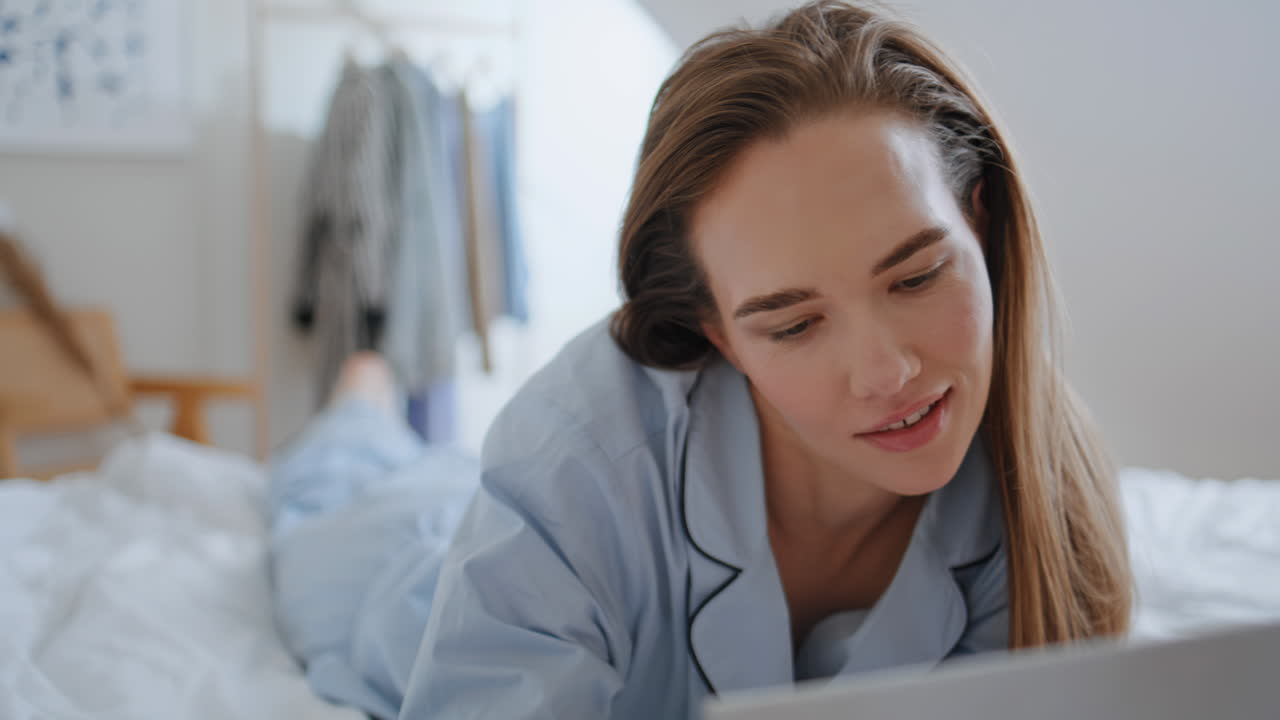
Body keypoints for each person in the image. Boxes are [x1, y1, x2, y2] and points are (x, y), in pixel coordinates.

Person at [270, 2, 1134, 718]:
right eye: (793, 325)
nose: (886, 373)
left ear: (979, 221)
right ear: (716, 333)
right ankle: (362, 396)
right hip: (405, 579)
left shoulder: (1045, 501)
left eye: (915, 276)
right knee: (338, 498)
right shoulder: (579, 446)